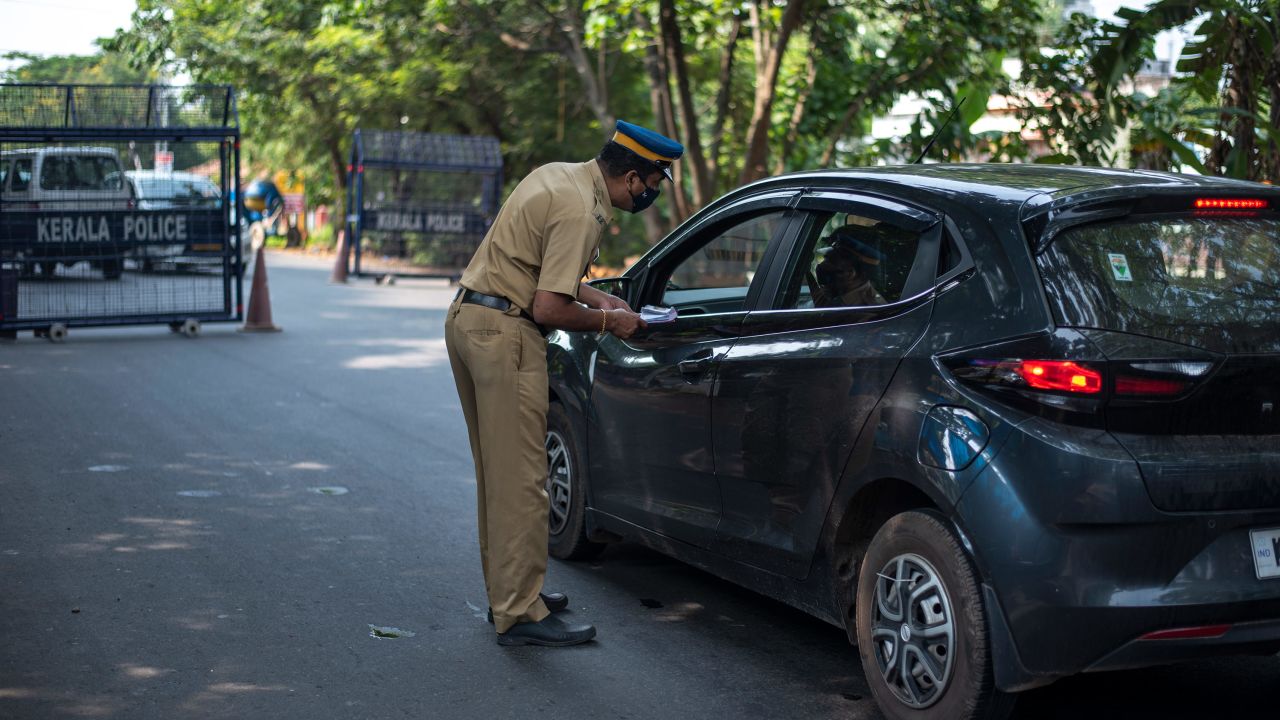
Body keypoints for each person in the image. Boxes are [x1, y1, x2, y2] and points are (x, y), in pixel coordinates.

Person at [444, 120, 684, 647]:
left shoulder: (562, 177)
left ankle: (511, 590)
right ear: (631, 177)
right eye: (652, 184)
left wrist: (600, 297)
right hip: (506, 332)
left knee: (499, 475)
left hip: (470, 321)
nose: (649, 196)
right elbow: (548, 306)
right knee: (525, 481)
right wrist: (612, 322)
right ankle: (519, 613)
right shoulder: (584, 209)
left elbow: (545, 267)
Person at [813, 224, 887, 307]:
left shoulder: (867, 311)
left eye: (829, 260)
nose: (821, 265)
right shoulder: (835, 293)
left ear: (849, 273)